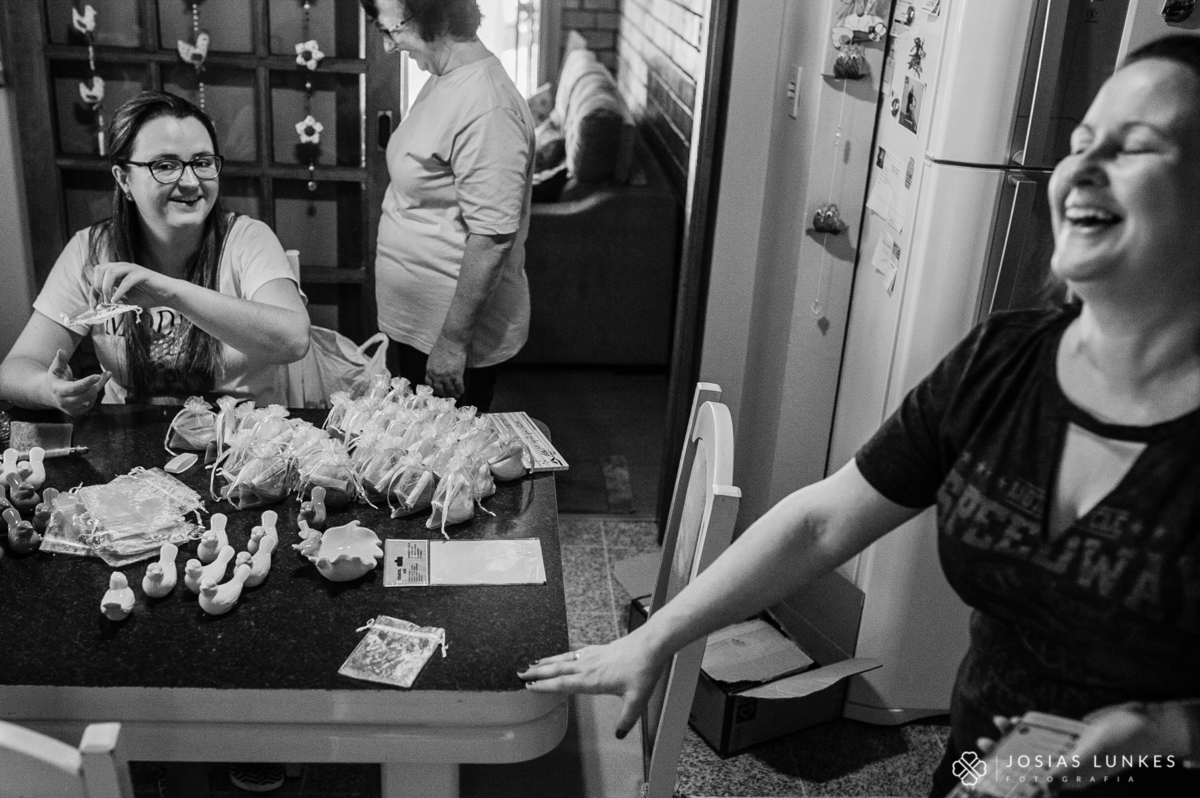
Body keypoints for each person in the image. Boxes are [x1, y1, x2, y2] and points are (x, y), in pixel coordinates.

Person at [520, 34, 1200, 796]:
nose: (1082, 168)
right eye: (1080, 142)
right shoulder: (1002, 363)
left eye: (1136, 147)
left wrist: (1165, 732)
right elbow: (820, 523)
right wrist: (658, 636)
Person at [0, 90, 309, 413]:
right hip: (131, 436)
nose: (190, 181)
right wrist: (50, 389)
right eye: (165, 165)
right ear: (124, 179)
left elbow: (294, 340)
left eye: (202, 163)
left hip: (240, 436)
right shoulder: (92, 249)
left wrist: (170, 292)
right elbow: (15, 369)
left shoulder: (247, 239)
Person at [362, 0, 535, 412]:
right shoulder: (446, 78)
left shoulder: (488, 104)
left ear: (433, 16)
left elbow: (492, 238)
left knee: (445, 450)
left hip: (446, 338)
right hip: (420, 327)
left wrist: (452, 344)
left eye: (391, 30)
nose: (388, 46)